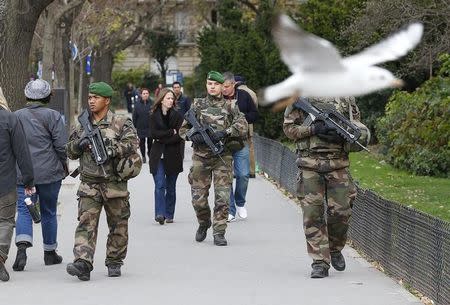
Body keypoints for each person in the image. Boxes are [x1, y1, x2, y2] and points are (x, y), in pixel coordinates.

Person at [283, 96, 370, 278]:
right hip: (309, 165)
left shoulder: (344, 96)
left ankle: (334, 248)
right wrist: (313, 129)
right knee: (312, 215)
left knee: (341, 212)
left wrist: (341, 134)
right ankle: (320, 262)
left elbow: (358, 128)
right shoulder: (301, 95)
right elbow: (289, 130)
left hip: (337, 165)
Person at [66, 82, 140, 281]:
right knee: (85, 224)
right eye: (89, 97)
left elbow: (132, 144)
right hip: (89, 183)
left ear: (106, 100)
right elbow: (69, 151)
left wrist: (111, 149)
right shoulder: (82, 123)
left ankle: (114, 260)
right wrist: (78, 144)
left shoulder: (120, 122)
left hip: (114, 183)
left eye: (95, 97)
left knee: (118, 225)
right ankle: (83, 262)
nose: (91, 101)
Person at [179, 71, 248, 246]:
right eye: (209, 84)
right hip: (200, 158)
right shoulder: (197, 105)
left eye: (216, 84)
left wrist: (225, 132)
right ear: (206, 85)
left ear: (221, 86)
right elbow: (182, 129)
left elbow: (242, 125)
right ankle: (203, 223)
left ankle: (219, 232)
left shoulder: (231, 105)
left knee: (222, 197)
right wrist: (191, 136)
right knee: (198, 198)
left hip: (222, 156)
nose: (212, 87)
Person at [12, 79, 68, 272]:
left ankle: (21, 248)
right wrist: (64, 164)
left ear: (27, 95)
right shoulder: (54, 116)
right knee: (49, 211)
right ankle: (50, 252)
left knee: (24, 209)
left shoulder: (16, 116)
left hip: (23, 174)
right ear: (47, 97)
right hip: (50, 173)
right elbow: (61, 146)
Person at [0, 87, 35, 282]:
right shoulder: (10, 119)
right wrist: (29, 180)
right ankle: (0, 256)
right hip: (5, 181)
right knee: (5, 221)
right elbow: (22, 153)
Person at [222, 72, 258, 222]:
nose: (223, 89)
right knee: (226, 177)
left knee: (243, 174)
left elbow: (254, 114)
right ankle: (230, 209)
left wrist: (240, 119)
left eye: (226, 86)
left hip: (241, 140)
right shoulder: (217, 98)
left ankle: (240, 202)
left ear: (233, 84)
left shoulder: (244, 95)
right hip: (223, 142)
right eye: (221, 86)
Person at [149, 88, 184, 225]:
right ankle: (159, 213)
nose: (171, 101)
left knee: (171, 187)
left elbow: (179, 136)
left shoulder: (178, 116)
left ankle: (169, 214)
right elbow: (153, 134)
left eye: (172, 99)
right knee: (159, 185)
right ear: (162, 99)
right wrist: (170, 132)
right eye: (168, 98)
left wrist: (163, 137)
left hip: (173, 155)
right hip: (157, 155)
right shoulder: (153, 115)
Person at [234, 75, 258, 178]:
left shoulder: (235, 93)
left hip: (237, 124)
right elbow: (255, 108)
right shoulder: (252, 92)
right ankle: (252, 171)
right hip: (249, 124)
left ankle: (237, 171)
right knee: (250, 148)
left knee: (236, 147)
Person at [132, 88, 153, 163]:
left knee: (150, 142)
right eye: (144, 93)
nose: (145, 95)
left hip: (150, 126)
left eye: (147, 93)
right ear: (141, 95)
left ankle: (150, 154)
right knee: (142, 143)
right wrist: (134, 127)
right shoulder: (137, 104)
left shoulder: (152, 103)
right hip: (141, 126)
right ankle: (143, 156)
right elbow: (134, 116)